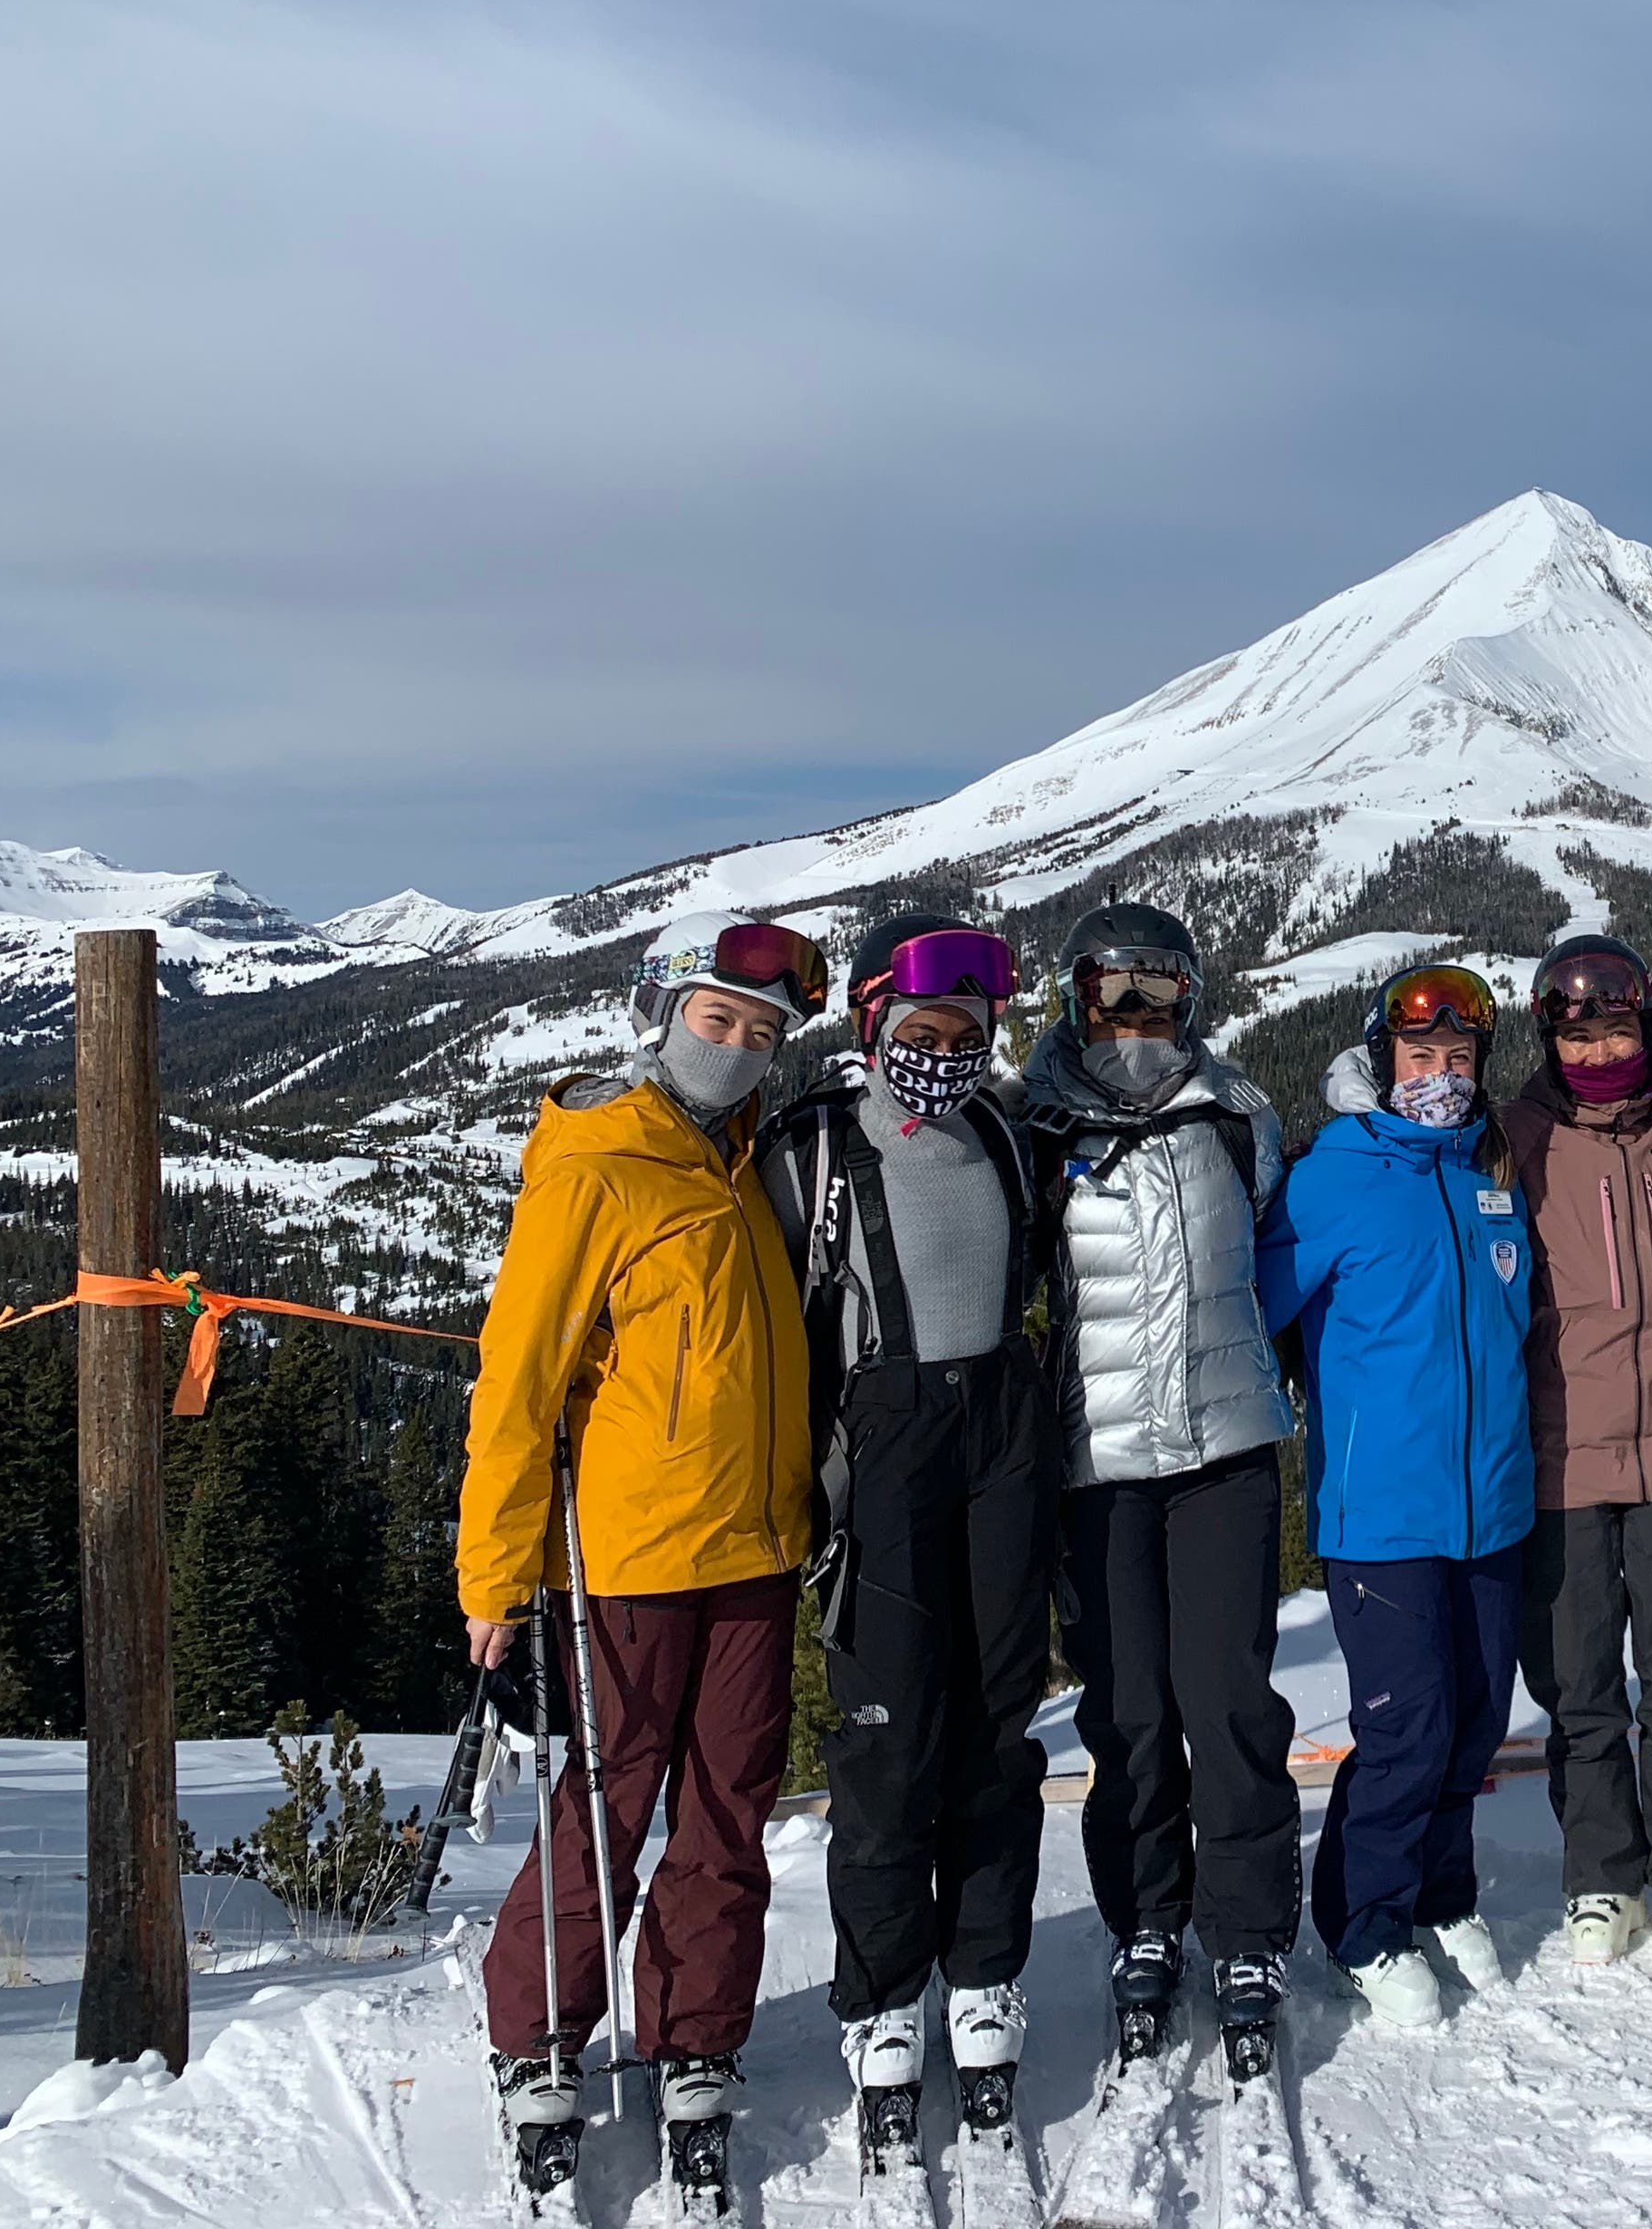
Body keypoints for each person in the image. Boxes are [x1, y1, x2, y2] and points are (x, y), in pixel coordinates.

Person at [459, 912, 823, 2196]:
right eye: (717, 1022)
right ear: (660, 1017)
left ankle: (696, 2032)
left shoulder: (747, 1162)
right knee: (611, 1799)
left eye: (761, 1033)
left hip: (756, 1551)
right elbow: (518, 1382)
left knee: (730, 1802)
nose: (736, 1048)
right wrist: (496, 1578)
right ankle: (539, 2030)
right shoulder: (599, 1162)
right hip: (624, 1556)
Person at [763, 913, 1049, 2156]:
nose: (944, 1053)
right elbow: (759, 1321)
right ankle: (882, 1996)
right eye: (922, 1031)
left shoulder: (1002, 1137)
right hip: (875, 1456)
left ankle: (983, 1972)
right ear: (873, 1023)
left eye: (967, 1034)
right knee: (887, 1744)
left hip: (994, 1441)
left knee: (995, 1728)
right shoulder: (812, 1149)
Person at [1010, 902, 1301, 2081]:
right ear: (1077, 1000)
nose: (1134, 1016)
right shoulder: (1034, 1129)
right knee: (1127, 1712)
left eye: (1159, 993)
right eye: (1111, 993)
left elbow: (1281, 1266)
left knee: (1228, 1700)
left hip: (1225, 1455)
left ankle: (1248, 1929)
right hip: (1101, 1467)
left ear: (1193, 998)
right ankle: (1144, 1917)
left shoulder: (1238, 1117)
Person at [1256, 962, 1535, 2028]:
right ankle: (1365, 1925)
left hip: (1493, 1505)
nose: (1443, 1077)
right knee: (1405, 1727)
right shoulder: (1334, 1177)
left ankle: (1441, 1894)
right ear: (1382, 1063)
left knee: (1474, 1720)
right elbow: (1255, 1300)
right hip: (1382, 1513)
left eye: (1460, 1059)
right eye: (1422, 1058)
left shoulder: (1487, 1174)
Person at [1496, 934, 1652, 1967]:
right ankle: (1603, 1875)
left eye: (1619, 1027)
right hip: (1561, 1454)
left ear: (1648, 1023)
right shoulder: (1513, 1140)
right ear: (1550, 1036)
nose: (1599, 1050)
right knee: (1579, 1686)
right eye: (1578, 1033)